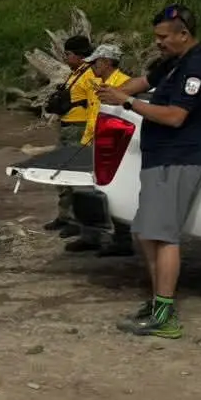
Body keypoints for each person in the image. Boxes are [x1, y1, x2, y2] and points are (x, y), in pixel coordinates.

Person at [97, 5, 201, 340]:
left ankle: (165, 314)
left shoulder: (198, 67)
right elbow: (144, 81)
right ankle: (158, 303)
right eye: (156, 37)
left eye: (163, 37)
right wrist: (113, 91)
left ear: (184, 34)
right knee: (146, 233)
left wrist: (125, 102)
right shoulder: (173, 63)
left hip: (176, 160)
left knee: (163, 236)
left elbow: (175, 116)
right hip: (160, 160)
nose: (158, 43)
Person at [68, 44, 135, 256]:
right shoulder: (100, 83)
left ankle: (122, 240)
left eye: (96, 62)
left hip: (114, 147)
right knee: (88, 189)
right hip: (93, 141)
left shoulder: (124, 85)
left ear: (106, 62)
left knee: (115, 191)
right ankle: (91, 236)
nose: (92, 66)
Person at [44, 35, 99, 238]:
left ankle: (77, 219)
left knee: (76, 176)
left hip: (79, 128)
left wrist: (90, 134)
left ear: (78, 55)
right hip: (67, 127)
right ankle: (65, 215)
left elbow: (94, 105)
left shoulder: (90, 75)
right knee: (61, 173)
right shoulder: (75, 73)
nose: (65, 58)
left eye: (67, 54)